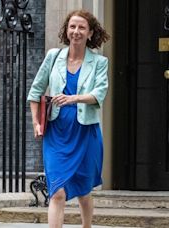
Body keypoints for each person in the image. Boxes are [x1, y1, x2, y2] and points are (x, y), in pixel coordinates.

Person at [27, 9, 110, 228]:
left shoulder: (99, 62)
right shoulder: (53, 56)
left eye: (82, 27)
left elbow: (99, 94)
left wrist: (73, 99)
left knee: (84, 188)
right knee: (57, 192)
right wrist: (36, 122)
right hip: (57, 133)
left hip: (85, 132)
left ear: (90, 33)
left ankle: (86, 226)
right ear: (66, 30)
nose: (76, 31)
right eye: (72, 27)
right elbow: (35, 92)